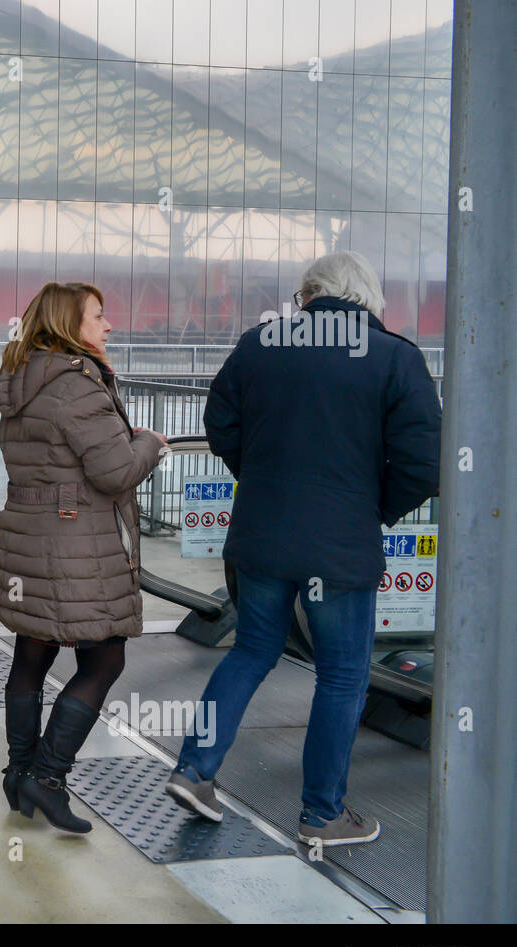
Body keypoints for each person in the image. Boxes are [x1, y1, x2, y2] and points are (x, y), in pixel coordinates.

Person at [164, 250, 442, 847]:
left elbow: (222, 426)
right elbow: (424, 465)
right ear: (365, 298)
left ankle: (193, 770)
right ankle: (322, 814)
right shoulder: (395, 356)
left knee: (251, 652)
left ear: (308, 297)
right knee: (342, 676)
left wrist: (263, 483)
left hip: (261, 535)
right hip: (339, 548)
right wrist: (372, 509)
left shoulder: (260, 345)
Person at [0, 282, 167, 833]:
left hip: (27, 536)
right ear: (70, 324)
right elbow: (113, 471)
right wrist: (150, 445)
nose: (108, 325)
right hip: (76, 544)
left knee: (32, 655)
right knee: (104, 659)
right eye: (98, 315)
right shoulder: (76, 386)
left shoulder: (21, 379)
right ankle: (47, 778)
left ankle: (19, 774)